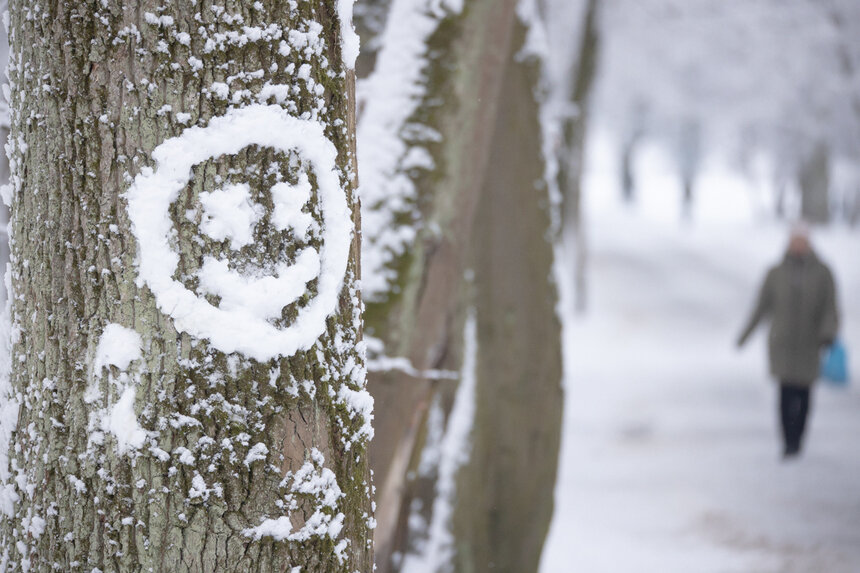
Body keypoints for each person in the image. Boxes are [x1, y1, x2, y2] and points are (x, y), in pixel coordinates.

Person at [737, 224, 839, 459]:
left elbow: (830, 307)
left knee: (804, 394)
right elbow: (761, 307)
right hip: (782, 343)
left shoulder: (823, 273)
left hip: (810, 343)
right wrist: (745, 336)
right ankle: (787, 441)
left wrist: (828, 333)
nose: (798, 245)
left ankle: (799, 437)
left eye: (802, 241)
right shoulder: (776, 272)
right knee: (784, 394)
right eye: (795, 240)